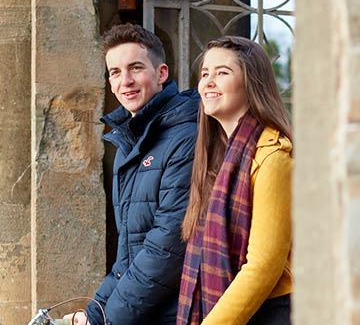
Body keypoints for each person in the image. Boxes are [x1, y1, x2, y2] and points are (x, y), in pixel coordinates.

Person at [64, 23, 199, 325]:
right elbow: (128, 255)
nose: (125, 81)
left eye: (135, 68)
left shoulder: (185, 138)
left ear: (161, 73)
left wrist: (109, 321)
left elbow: (167, 247)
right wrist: (94, 315)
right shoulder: (130, 142)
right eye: (114, 72)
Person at [177, 36, 293, 325]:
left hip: (276, 311)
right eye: (205, 74)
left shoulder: (273, 156)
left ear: (251, 82)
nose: (208, 82)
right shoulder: (219, 156)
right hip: (241, 309)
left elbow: (264, 266)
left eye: (222, 73)